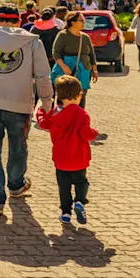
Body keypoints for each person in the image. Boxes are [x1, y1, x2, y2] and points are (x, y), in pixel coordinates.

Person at [0, 4, 54, 216]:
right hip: (20, 103)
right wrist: (47, 103)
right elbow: (43, 75)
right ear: (18, 20)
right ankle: (16, 184)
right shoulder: (32, 41)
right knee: (18, 146)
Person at [36, 76, 98, 224]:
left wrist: (40, 111)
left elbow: (44, 124)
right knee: (81, 182)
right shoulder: (82, 114)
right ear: (78, 96)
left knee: (64, 187)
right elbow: (86, 134)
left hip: (61, 158)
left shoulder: (55, 113)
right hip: (79, 158)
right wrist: (95, 132)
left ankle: (65, 212)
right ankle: (80, 201)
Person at [51, 12, 98, 109]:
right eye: (81, 20)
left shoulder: (85, 37)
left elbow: (92, 55)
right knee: (64, 97)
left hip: (83, 71)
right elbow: (56, 53)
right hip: (66, 72)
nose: (84, 22)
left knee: (81, 96)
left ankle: (79, 119)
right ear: (72, 22)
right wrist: (64, 66)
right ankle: (63, 120)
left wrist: (94, 70)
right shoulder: (63, 35)